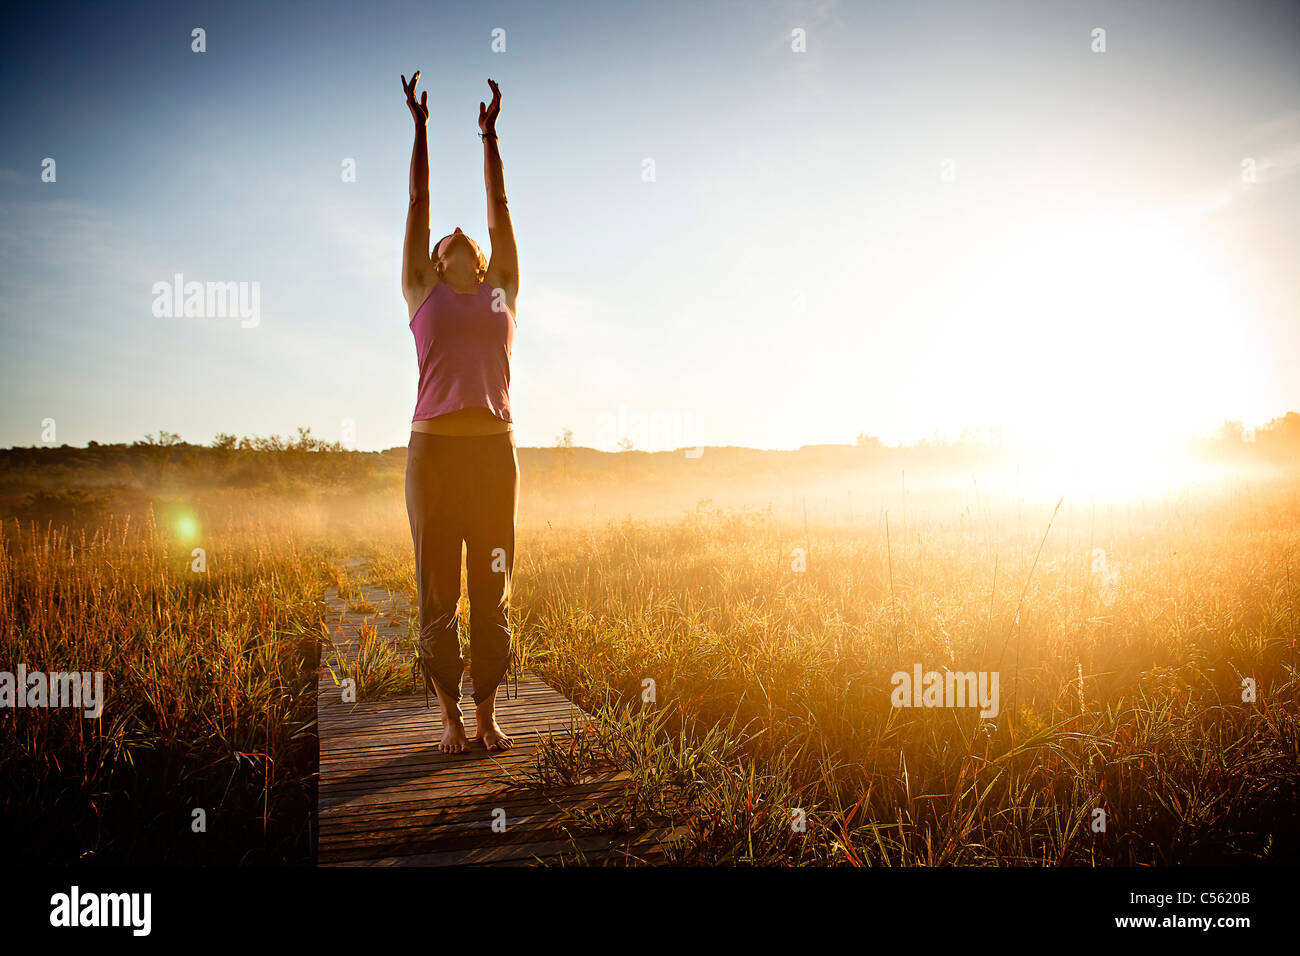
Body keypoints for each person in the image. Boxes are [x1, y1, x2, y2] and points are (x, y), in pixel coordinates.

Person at [399, 71, 520, 753]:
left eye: (465, 241)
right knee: (438, 592)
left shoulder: (501, 291)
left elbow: (498, 205)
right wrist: (419, 127)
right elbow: (417, 201)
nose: (455, 238)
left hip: (494, 456)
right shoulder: (422, 291)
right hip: (435, 459)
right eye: (443, 243)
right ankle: (448, 718)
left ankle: (486, 717)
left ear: (480, 259)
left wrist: (488, 134)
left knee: (492, 585)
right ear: (434, 263)